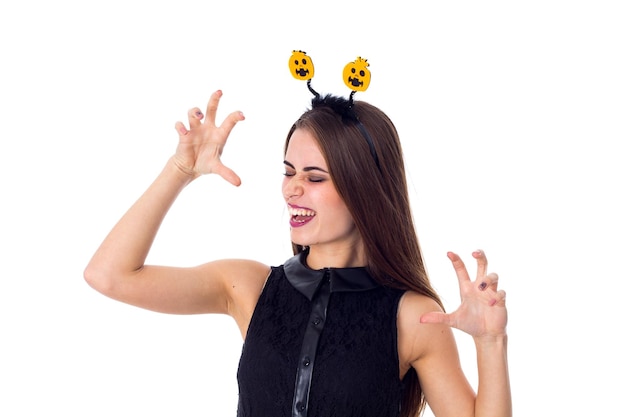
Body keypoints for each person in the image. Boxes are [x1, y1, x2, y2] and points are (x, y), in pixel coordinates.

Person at [84, 85, 511, 417]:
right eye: (288, 172)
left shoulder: (415, 317)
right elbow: (110, 275)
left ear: (365, 189)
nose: (291, 189)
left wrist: (491, 343)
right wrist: (180, 170)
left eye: (314, 177)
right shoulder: (247, 286)